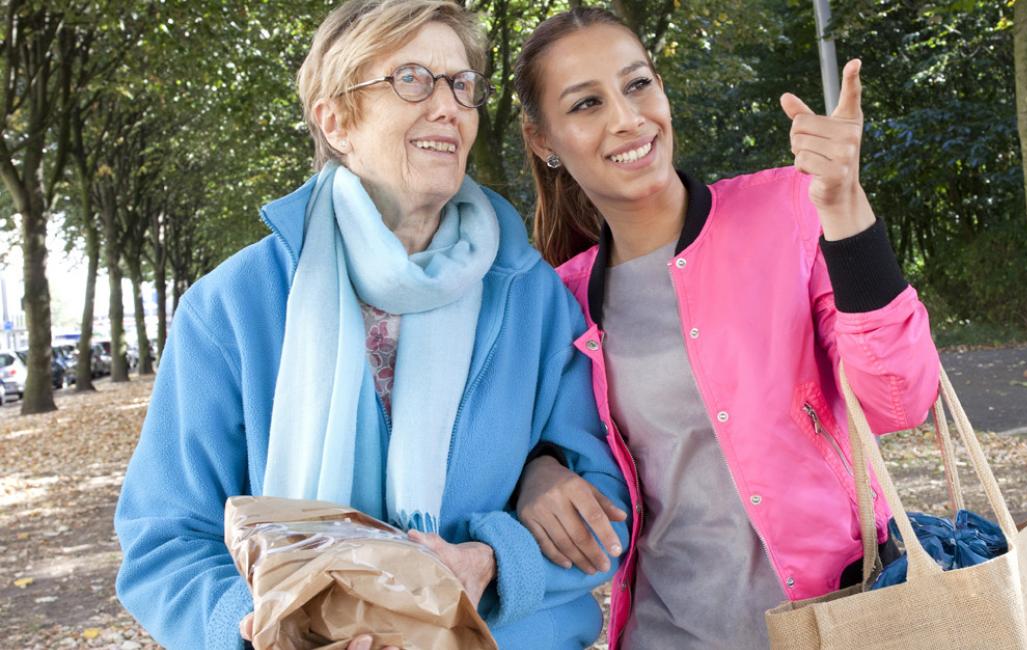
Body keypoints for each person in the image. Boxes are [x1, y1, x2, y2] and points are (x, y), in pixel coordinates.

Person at [112, 2, 628, 649]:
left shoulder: (533, 298)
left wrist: (497, 559)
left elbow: (608, 500)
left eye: (462, 84)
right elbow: (166, 535)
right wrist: (255, 630)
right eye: (412, 79)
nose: (448, 106)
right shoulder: (229, 310)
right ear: (336, 120)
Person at [508, 8, 941, 649]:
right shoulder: (559, 298)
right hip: (664, 633)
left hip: (841, 621)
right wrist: (535, 472)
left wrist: (848, 210)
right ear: (543, 140)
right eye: (586, 104)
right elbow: (528, 439)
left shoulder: (791, 208)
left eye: (637, 85)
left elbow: (900, 400)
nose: (627, 119)